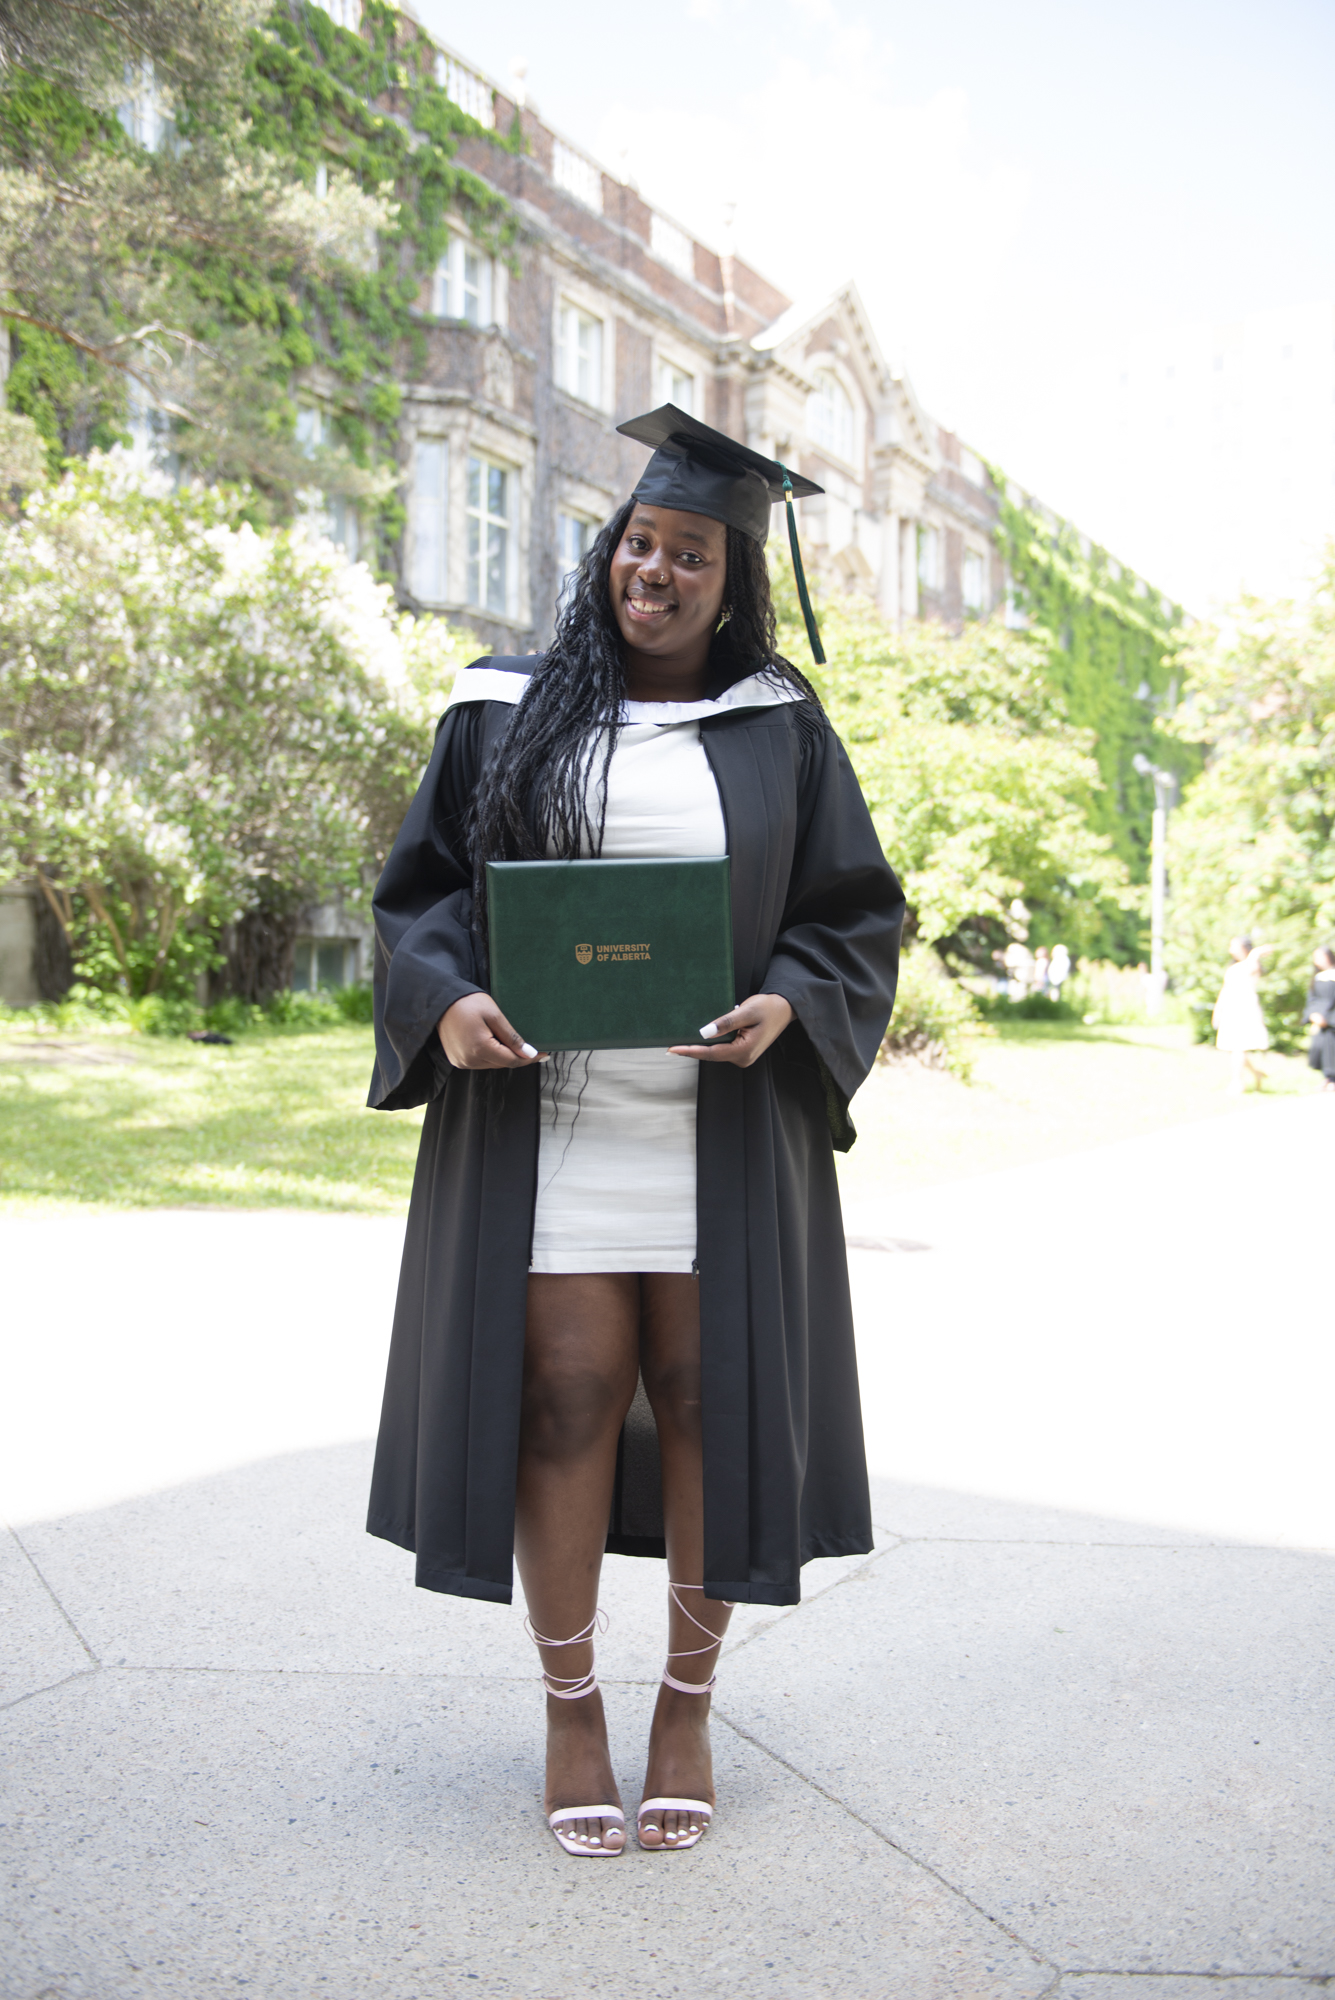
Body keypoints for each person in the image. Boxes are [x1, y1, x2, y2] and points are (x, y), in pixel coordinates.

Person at [365, 404, 904, 1860]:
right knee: (563, 1398)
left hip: (716, 1132)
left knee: (712, 1401)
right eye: (638, 543)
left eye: (688, 555)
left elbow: (851, 911)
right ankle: (568, 1709)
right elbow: (419, 894)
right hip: (549, 1127)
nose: (652, 572)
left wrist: (794, 1003)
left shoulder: (780, 727)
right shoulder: (502, 705)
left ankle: (684, 1705)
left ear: (733, 583)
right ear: (610, 548)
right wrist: (448, 998)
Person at [1211, 934, 1270, 1091]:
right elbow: (1225, 990)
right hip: (1231, 1009)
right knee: (1234, 1048)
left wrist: (1256, 952)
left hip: (1245, 1010)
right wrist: (1218, 1010)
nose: (1230, 950)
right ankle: (1256, 1074)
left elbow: (1250, 968)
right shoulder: (1233, 968)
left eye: (1233, 946)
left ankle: (1237, 1082)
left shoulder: (1252, 965)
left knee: (1239, 1047)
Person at [1302, 945, 1335, 1091]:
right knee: (1320, 1047)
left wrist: (1328, 1018)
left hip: (1332, 1020)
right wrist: (1313, 1014)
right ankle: (1326, 1077)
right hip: (1319, 1019)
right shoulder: (1317, 978)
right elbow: (1312, 1000)